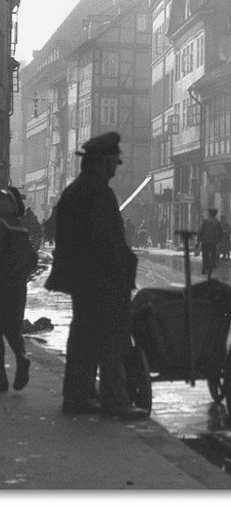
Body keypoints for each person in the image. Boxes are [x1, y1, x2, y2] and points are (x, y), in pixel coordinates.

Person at [44, 131, 147, 419]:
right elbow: (107, 241)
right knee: (112, 339)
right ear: (103, 162)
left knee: (84, 338)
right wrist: (126, 263)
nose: (116, 166)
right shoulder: (97, 193)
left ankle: (77, 396)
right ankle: (116, 400)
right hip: (102, 279)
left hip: (84, 280)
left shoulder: (76, 190)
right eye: (114, 160)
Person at [0, 185, 37, 392]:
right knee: (12, 329)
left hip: (3, 283)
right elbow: (31, 259)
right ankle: (21, 359)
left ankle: (1, 379)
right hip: (17, 287)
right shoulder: (21, 229)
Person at [197, 208, 223, 277]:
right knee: (213, 254)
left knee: (205, 256)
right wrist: (220, 239)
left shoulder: (205, 221)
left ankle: (204, 269)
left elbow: (201, 231)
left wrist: (198, 241)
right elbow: (221, 232)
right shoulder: (217, 222)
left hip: (205, 241)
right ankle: (213, 263)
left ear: (209, 214)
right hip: (213, 241)